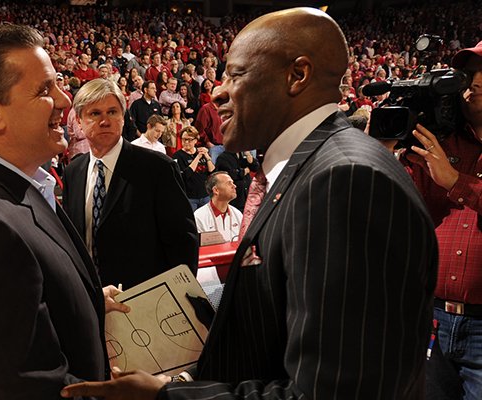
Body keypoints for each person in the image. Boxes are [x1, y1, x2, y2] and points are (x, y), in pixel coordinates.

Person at [61, 8, 437, 400]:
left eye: (236, 75)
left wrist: (168, 396)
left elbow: (333, 390)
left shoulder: (345, 179)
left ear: (298, 75)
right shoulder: (311, 167)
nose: (218, 91)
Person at [0, 24, 128, 400]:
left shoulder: (17, 185)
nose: (66, 100)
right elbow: (32, 388)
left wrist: (81, 301)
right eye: (44, 91)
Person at [398, 41, 482, 400]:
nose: (470, 87)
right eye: (469, 78)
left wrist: (455, 181)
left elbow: (452, 187)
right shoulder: (442, 141)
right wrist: (398, 150)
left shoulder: (448, 161)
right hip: (433, 317)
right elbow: (408, 209)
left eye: (481, 80)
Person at [62, 79, 198, 290]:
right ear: (79, 121)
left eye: (112, 112)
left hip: (147, 305)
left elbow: (183, 242)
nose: (105, 121)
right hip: (92, 300)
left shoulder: (158, 168)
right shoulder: (73, 172)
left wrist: (177, 297)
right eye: (95, 113)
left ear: (123, 118)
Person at [173, 126, 215, 211]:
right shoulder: (177, 155)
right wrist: (198, 157)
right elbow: (185, 175)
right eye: (184, 139)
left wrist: (207, 156)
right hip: (190, 197)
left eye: (189, 139)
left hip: (205, 195)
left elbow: (212, 171)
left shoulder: (202, 152)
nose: (186, 142)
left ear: (195, 140)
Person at [194, 171, 242, 243]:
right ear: (216, 190)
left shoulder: (238, 214)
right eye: (229, 183)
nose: (234, 186)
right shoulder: (199, 216)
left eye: (233, 183)